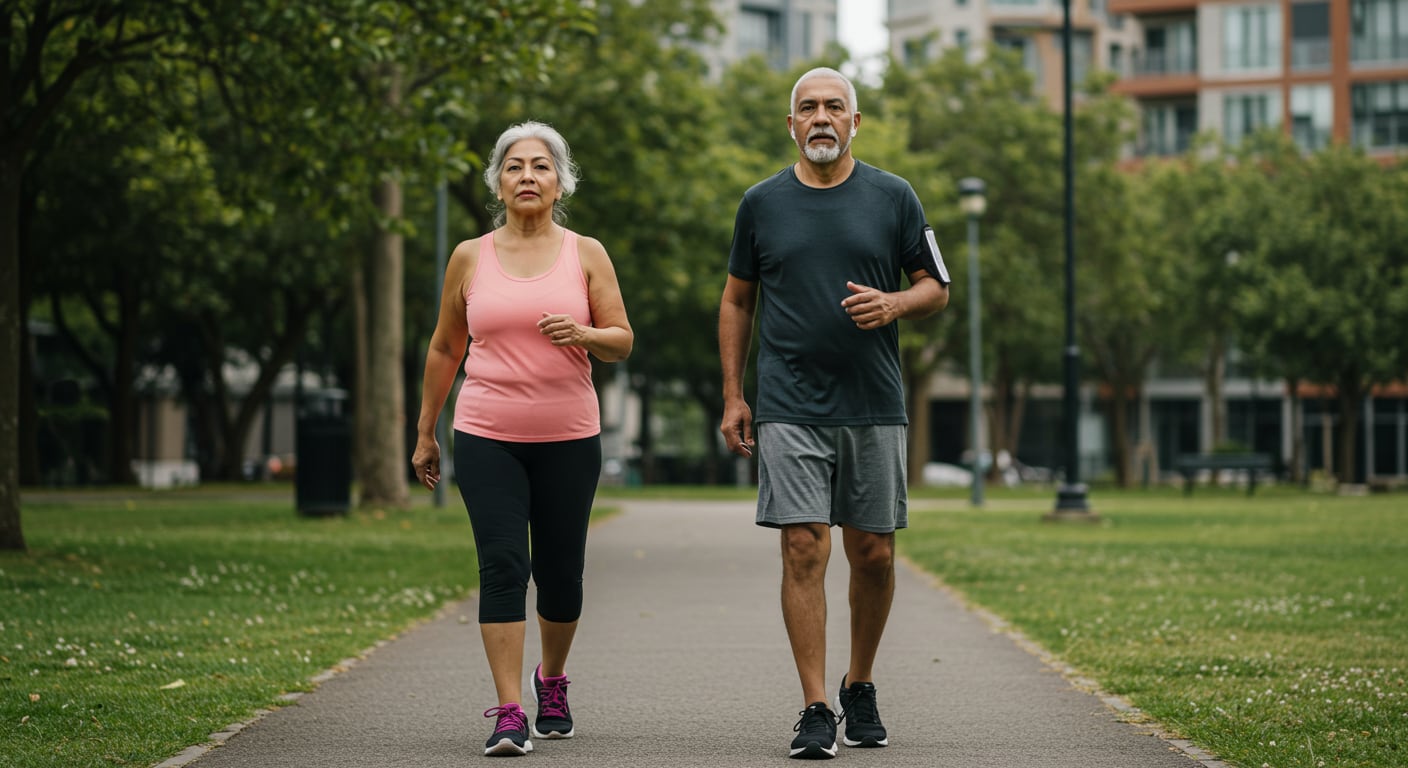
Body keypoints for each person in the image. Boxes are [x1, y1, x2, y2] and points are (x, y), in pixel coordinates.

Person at [718, 67, 951, 760]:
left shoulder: (894, 196)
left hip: (872, 403)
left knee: (873, 553)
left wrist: (895, 303)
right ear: (791, 123)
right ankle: (816, 706)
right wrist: (734, 393)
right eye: (808, 107)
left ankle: (861, 684)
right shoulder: (761, 204)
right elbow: (736, 300)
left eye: (834, 106)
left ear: (855, 121)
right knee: (803, 545)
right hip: (789, 403)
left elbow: (936, 286)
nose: (821, 117)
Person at [412, 121, 633, 757]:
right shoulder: (469, 256)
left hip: (569, 437)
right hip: (487, 436)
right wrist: (426, 431)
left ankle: (551, 681)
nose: (528, 176)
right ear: (498, 184)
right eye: (514, 167)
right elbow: (445, 346)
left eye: (541, 166)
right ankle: (509, 711)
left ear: (560, 182)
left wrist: (584, 335)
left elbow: (621, 339)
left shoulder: (586, 253)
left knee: (561, 575)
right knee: (503, 565)